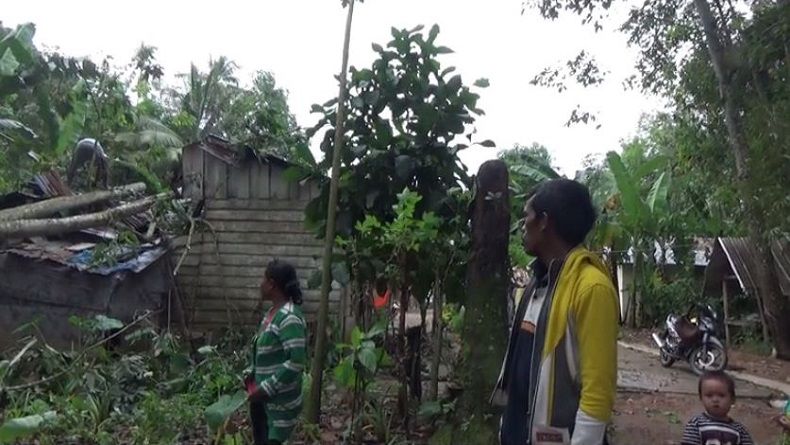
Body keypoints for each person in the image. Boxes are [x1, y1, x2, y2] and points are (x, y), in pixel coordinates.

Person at [492, 179, 619, 445]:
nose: (522, 224)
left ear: (544, 221)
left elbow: (597, 391)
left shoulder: (591, 287)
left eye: (526, 215)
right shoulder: (537, 283)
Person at [246, 260, 307, 445]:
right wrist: (250, 378)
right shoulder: (271, 314)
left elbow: (295, 362)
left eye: (263, 279)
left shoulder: (289, 318)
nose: (260, 284)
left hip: (278, 405)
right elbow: (263, 354)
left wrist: (266, 388)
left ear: (272, 284)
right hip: (262, 402)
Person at [681, 371, 754, 445]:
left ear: (732, 399)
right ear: (701, 398)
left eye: (721, 395)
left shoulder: (739, 431)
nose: (715, 400)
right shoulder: (696, 425)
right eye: (709, 395)